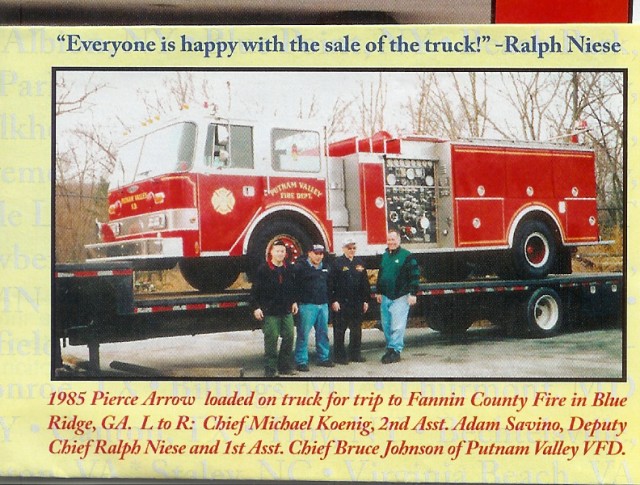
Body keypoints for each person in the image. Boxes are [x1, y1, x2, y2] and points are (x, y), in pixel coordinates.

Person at [250, 239, 298, 378]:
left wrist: (294, 301)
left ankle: (284, 366)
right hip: (270, 312)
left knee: (289, 336)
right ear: (271, 252)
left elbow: (292, 287)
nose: (280, 253)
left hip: (286, 310)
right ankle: (270, 369)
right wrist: (256, 308)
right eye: (277, 251)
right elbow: (255, 292)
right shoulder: (263, 269)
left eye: (282, 251)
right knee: (272, 339)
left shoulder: (288, 268)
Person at [375, 229, 420, 364]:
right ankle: (390, 348)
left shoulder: (407, 256)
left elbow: (414, 276)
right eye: (389, 240)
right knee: (386, 325)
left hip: (400, 296)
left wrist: (413, 293)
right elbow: (381, 275)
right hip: (385, 297)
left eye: (393, 239)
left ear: (399, 240)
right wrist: (378, 291)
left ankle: (396, 351)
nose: (391, 242)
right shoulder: (384, 256)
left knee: (397, 326)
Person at [294, 244, 334, 371]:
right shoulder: (300, 267)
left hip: (323, 305)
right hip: (307, 306)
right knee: (303, 334)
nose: (319, 256)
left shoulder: (326, 267)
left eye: (321, 254)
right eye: (316, 253)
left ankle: (323, 358)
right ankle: (301, 361)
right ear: (309, 253)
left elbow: (330, 285)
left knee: (323, 333)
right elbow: (293, 285)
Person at [331, 237, 371, 364]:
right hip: (342, 303)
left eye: (354, 248)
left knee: (356, 330)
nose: (352, 250)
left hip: (357, 302)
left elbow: (365, 283)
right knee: (340, 330)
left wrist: (366, 300)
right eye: (349, 248)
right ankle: (339, 356)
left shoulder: (360, 263)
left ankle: (355, 354)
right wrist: (334, 300)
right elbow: (331, 284)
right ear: (343, 249)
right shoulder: (337, 263)